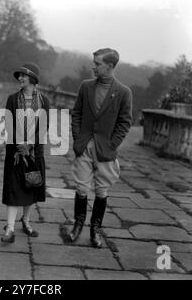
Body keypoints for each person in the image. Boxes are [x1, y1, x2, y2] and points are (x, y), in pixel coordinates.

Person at [69, 48, 132, 248]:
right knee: (81, 188)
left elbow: (125, 122)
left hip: (105, 150)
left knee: (102, 190)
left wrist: (112, 144)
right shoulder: (86, 87)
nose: (93, 67)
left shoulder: (123, 92)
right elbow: (76, 113)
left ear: (110, 66)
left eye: (97, 64)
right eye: (94, 62)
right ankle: (77, 224)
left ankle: (95, 229)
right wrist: (78, 138)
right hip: (85, 146)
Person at [1, 63, 50, 243]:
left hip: (34, 152)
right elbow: (8, 123)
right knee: (13, 189)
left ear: (33, 78)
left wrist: (30, 144)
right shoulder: (12, 99)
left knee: (31, 186)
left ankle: (26, 221)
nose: (20, 78)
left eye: (23, 76)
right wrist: (20, 144)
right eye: (19, 76)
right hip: (15, 151)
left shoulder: (44, 101)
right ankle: (10, 228)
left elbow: (45, 126)